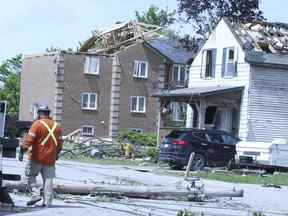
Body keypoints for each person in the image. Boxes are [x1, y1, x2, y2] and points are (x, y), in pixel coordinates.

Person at [19, 105, 62, 207]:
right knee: (48, 179)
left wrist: (21, 152)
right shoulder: (57, 126)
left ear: (39, 113)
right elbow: (60, 144)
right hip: (50, 159)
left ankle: (35, 194)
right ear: (48, 113)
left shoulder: (37, 124)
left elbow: (28, 141)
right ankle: (47, 202)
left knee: (30, 176)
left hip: (36, 157)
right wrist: (56, 155)